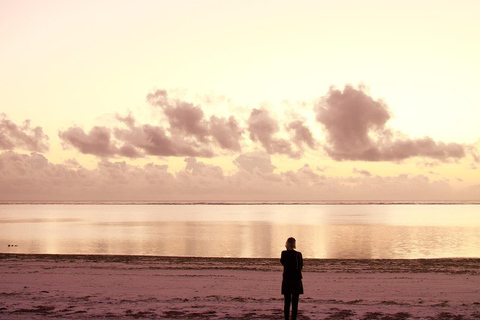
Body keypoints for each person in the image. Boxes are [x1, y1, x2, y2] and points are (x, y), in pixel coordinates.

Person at [280, 237, 303, 320]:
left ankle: (287, 318)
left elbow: (283, 263)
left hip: (287, 279)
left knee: (287, 302)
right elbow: (300, 266)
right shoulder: (298, 254)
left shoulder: (284, 253)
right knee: (294, 302)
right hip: (296, 279)